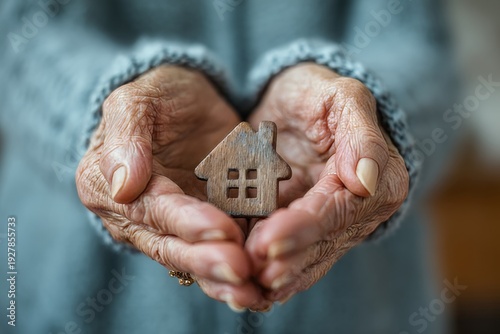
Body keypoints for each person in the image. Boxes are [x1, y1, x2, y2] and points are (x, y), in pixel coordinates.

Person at [0, 0, 456, 333]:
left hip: (362, 307)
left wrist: (368, 115)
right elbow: (17, 36)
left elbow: (421, 42)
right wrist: (106, 108)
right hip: (63, 292)